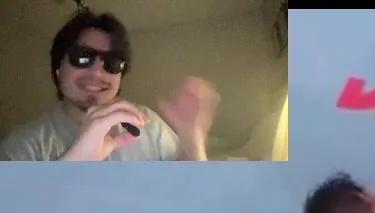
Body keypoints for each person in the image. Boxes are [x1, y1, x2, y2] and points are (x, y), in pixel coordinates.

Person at [0, 10, 218, 162]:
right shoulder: (24, 147)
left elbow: (192, 189)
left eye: (112, 62)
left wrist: (192, 139)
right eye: (82, 57)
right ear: (58, 69)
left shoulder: (148, 124)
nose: (97, 72)